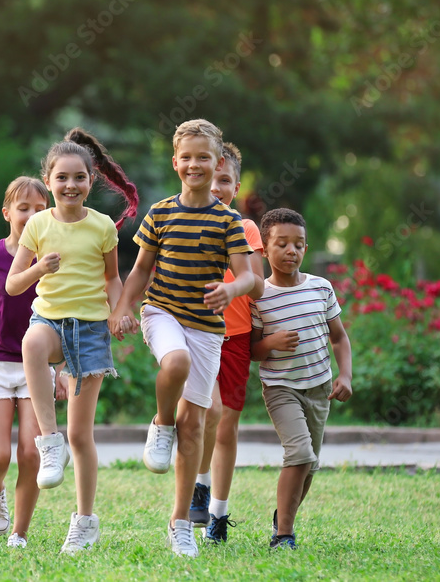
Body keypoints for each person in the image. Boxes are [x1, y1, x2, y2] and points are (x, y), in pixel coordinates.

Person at [109, 119, 263, 558]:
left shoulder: (228, 220)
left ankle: (180, 524)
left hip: (207, 327)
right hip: (161, 312)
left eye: (204, 158)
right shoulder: (160, 212)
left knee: (195, 423)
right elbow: (139, 270)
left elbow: (250, 279)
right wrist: (123, 308)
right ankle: (160, 423)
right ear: (175, 161)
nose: (195, 165)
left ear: (217, 164)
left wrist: (230, 289)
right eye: (187, 157)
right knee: (173, 365)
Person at [5, 128, 138, 554]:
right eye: (62, 177)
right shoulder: (37, 225)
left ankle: (84, 520)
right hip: (50, 320)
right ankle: (48, 442)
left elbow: (112, 279)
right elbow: (12, 284)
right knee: (31, 344)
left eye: (79, 177)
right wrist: (40, 268)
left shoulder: (102, 227)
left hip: (91, 330)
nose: (70, 185)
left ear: (91, 181)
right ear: (49, 181)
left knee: (83, 434)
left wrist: (121, 311)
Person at [0, 176, 68, 549]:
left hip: (36, 365)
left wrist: (64, 369)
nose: (32, 214)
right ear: (8, 213)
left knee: (31, 453)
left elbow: (68, 313)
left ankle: (19, 533)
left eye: (40, 208)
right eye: (24, 208)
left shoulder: (53, 258)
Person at [249, 208, 353, 550]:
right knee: (300, 454)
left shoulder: (321, 288)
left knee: (310, 465)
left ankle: (284, 515)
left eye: (299, 244)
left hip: (319, 387)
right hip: (280, 388)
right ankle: (283, 535)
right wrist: (271, 343)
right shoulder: (259, 295)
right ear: (265, 249)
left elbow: (338, 338)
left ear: (306, 249)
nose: (291, 251)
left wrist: (345, 375)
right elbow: (252, 351)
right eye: (282, 244)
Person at [185, 143, 265, 544]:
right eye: (213, 179)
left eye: (226, 181)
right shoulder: (185, 220)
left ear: (236, 185)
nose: (218, 188)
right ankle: (198, 485)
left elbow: (259, 284)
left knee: (226, 426)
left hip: (234, 338)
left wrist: (230, 289)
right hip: (196, 332)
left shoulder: (245, 229)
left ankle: (218, 512)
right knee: (203, 416)